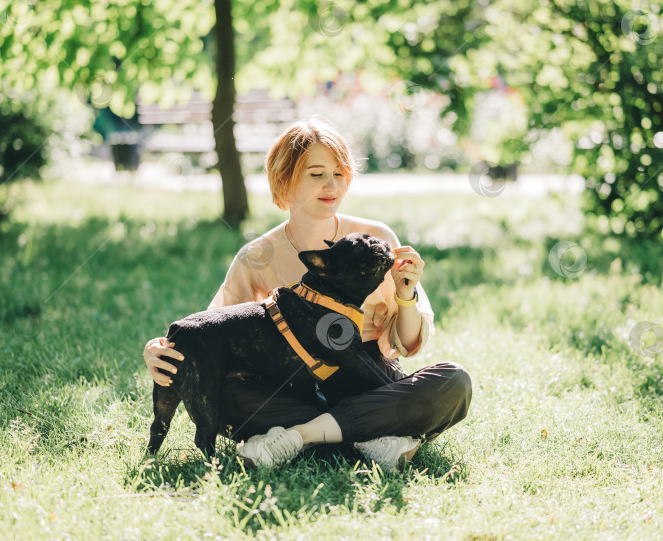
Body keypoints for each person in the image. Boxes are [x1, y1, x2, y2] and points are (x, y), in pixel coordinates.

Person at [142, 118, 472, 470]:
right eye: (316, 174)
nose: (332, 184)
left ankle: (300, 438)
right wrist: (157, 351)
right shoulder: (257, 256)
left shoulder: (376, 238)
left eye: (340, 173)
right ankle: (374, 437)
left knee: (454, 384)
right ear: (284, 181)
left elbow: (408, 344)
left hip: (369, 383)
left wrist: (406, 297)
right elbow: (212, 333)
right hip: (288, 392)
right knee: (225, 398)